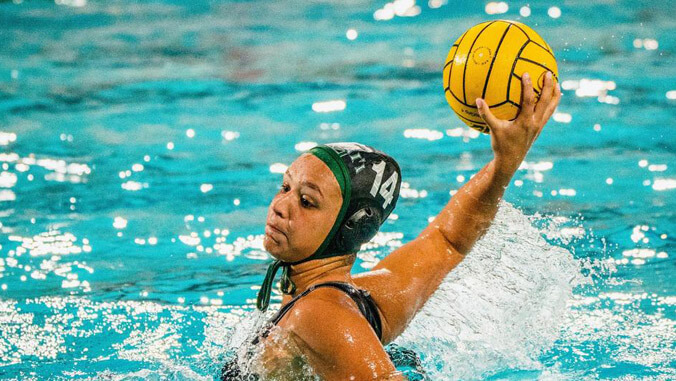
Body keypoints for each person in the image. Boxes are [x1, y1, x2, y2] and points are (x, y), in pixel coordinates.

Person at [222, 71, 561, 380]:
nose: (280, 207)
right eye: (285, 188)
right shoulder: (369, 299)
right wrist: (507, 161)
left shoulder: (320, 315)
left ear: (350, 226)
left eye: (307, 201)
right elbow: (447, 240)